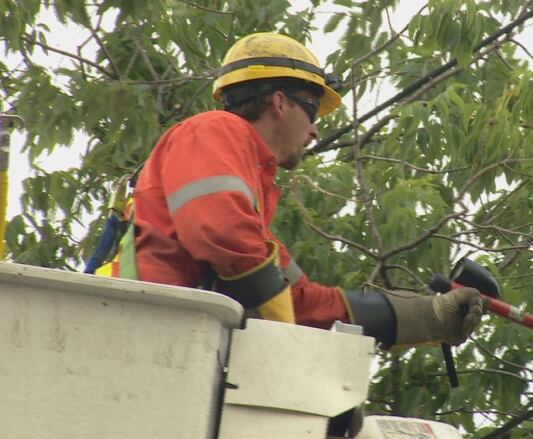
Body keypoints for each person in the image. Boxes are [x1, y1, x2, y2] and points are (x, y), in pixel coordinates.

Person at [112, 32, 484, 348]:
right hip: (142, 333)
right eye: (313, 114)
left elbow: (301, 302)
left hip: (174, 342)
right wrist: (282, 341)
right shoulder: (213, 130)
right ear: (279, 102)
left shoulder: (252, 206)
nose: (315, 131)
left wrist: (426, 315)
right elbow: (222, 234)